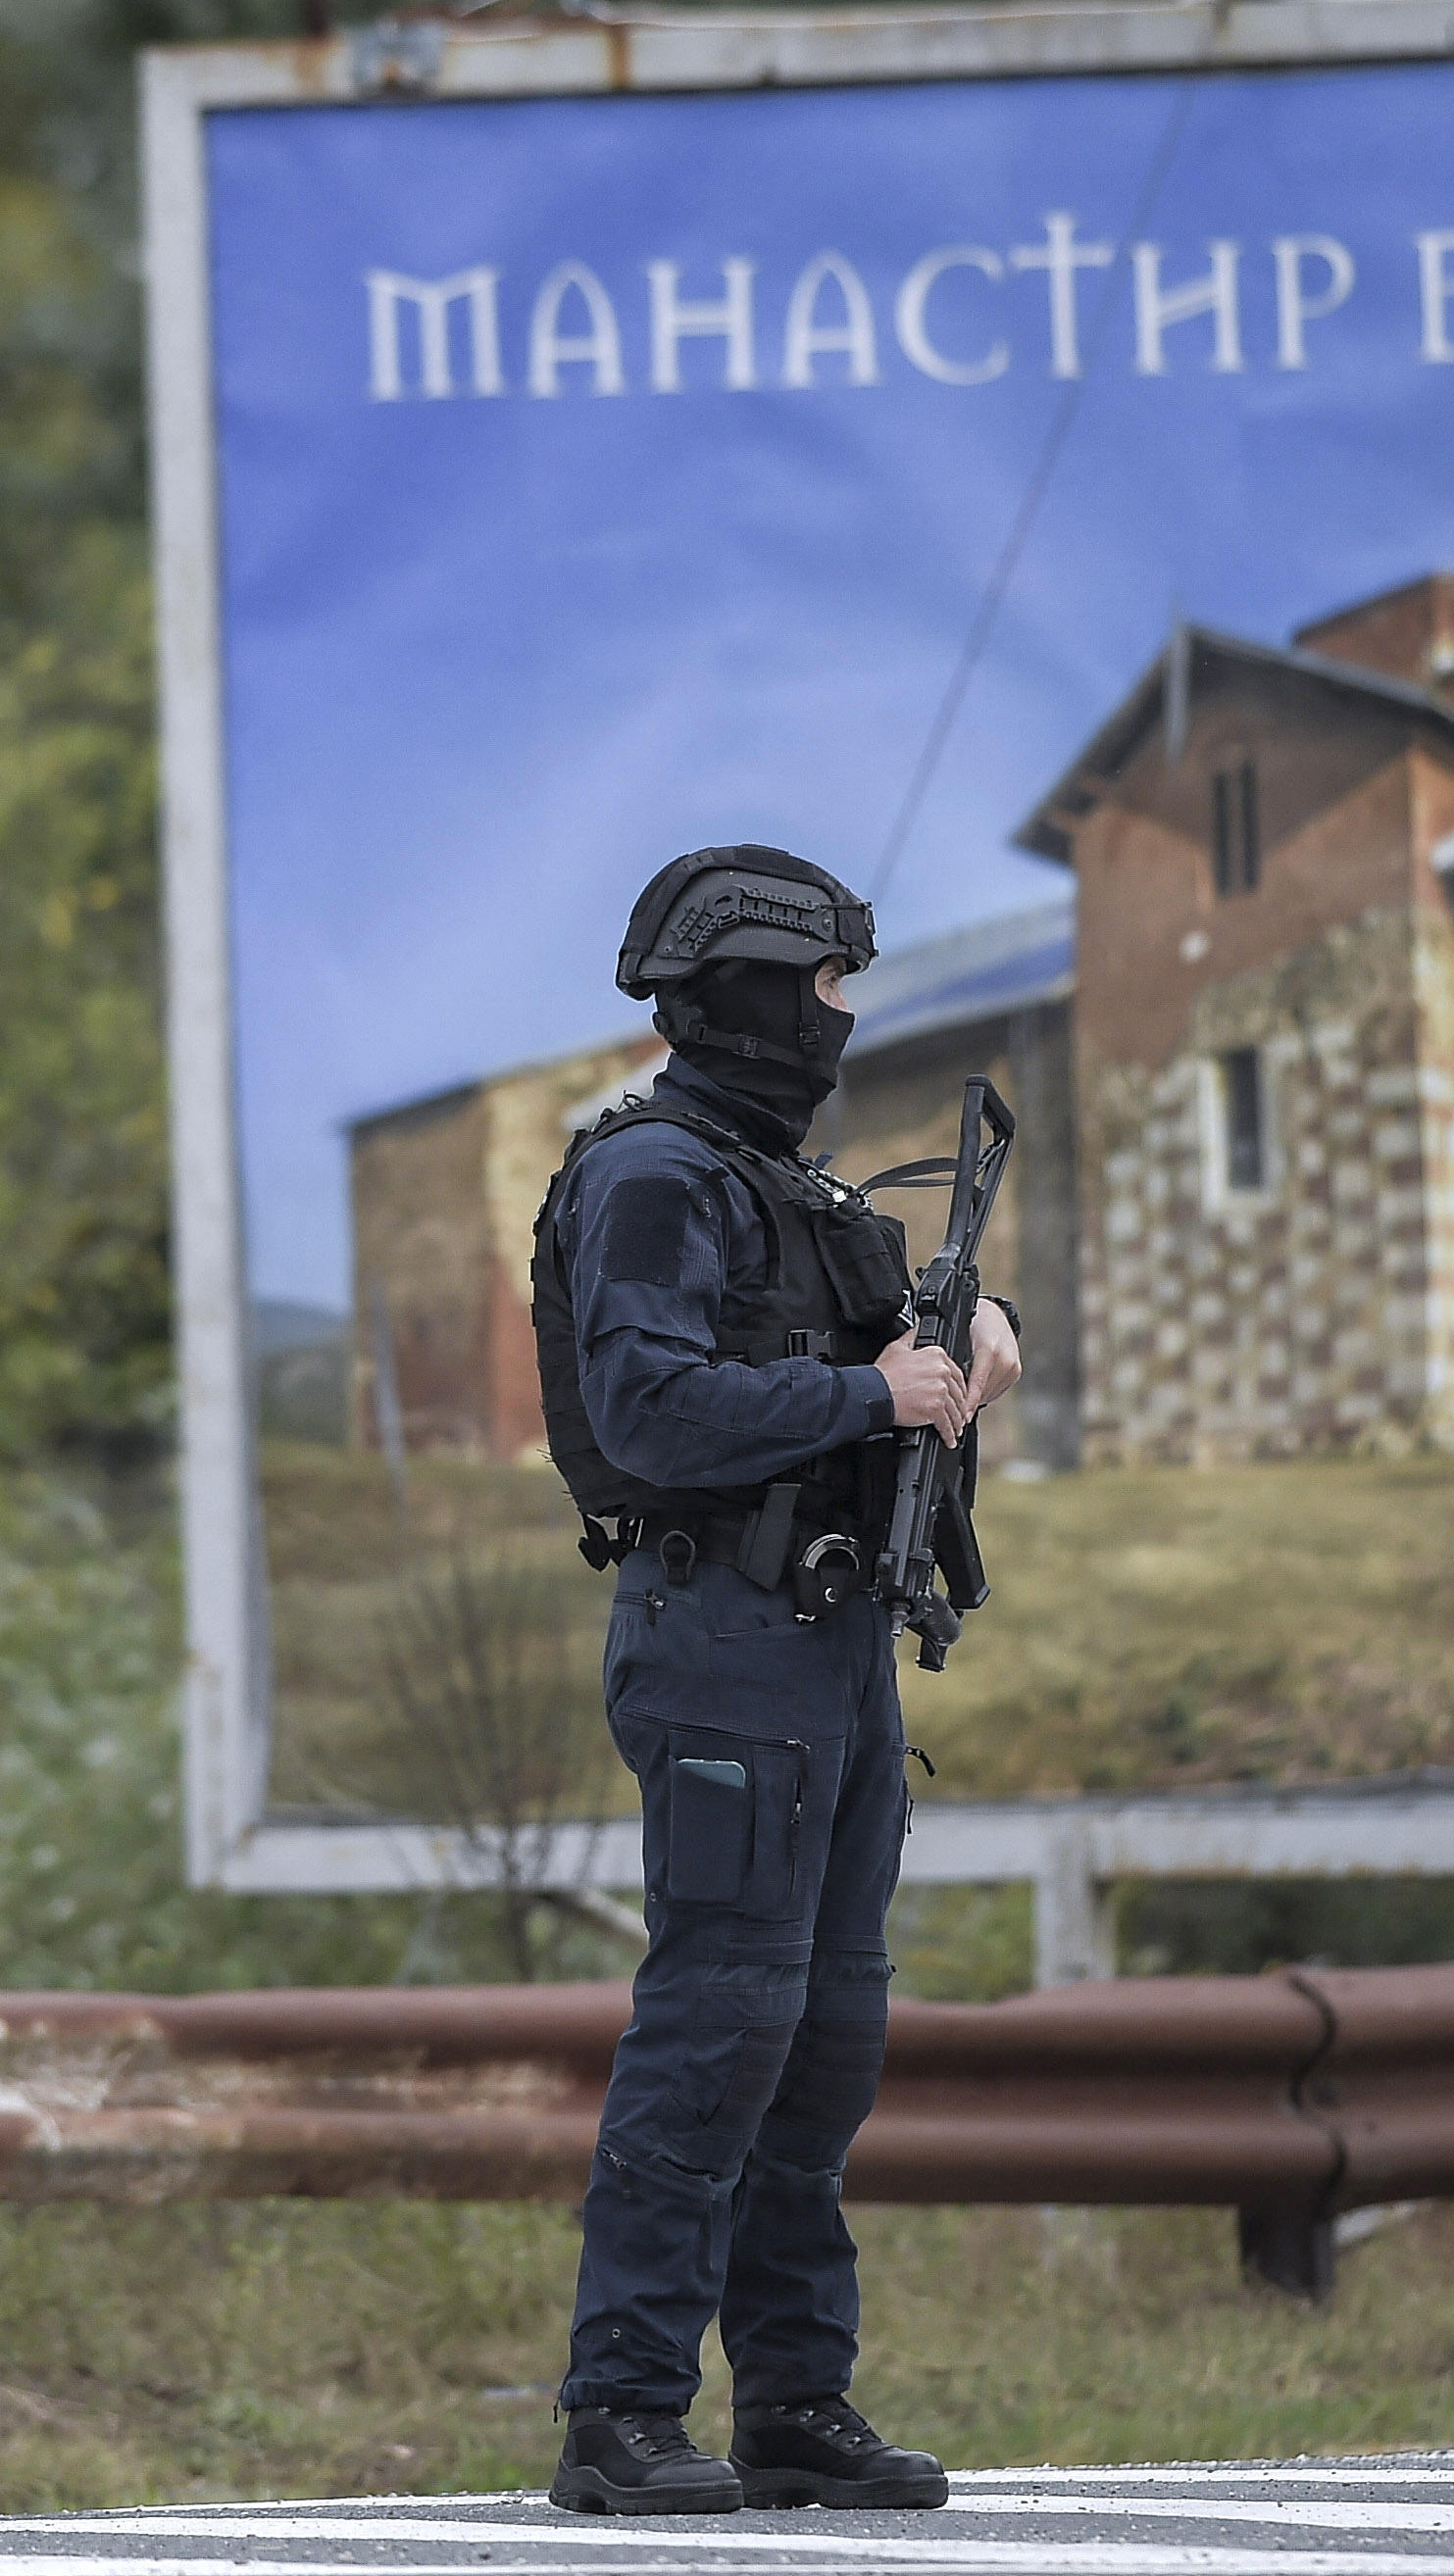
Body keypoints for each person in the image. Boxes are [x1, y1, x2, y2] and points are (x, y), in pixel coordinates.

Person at [530, 844, 1024, 2517]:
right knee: (720, 2028)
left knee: (823, 2039)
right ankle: (622, 2411)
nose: (840, 1014)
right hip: (723, 1644)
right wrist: (876, 1402)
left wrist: (976, 1337)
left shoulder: (778, 1183)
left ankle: (797, 2400)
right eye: (822, 982)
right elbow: (657, 1407)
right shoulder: (654, 1176)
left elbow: (879, 1331)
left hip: (831, 1656)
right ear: (746, 988)